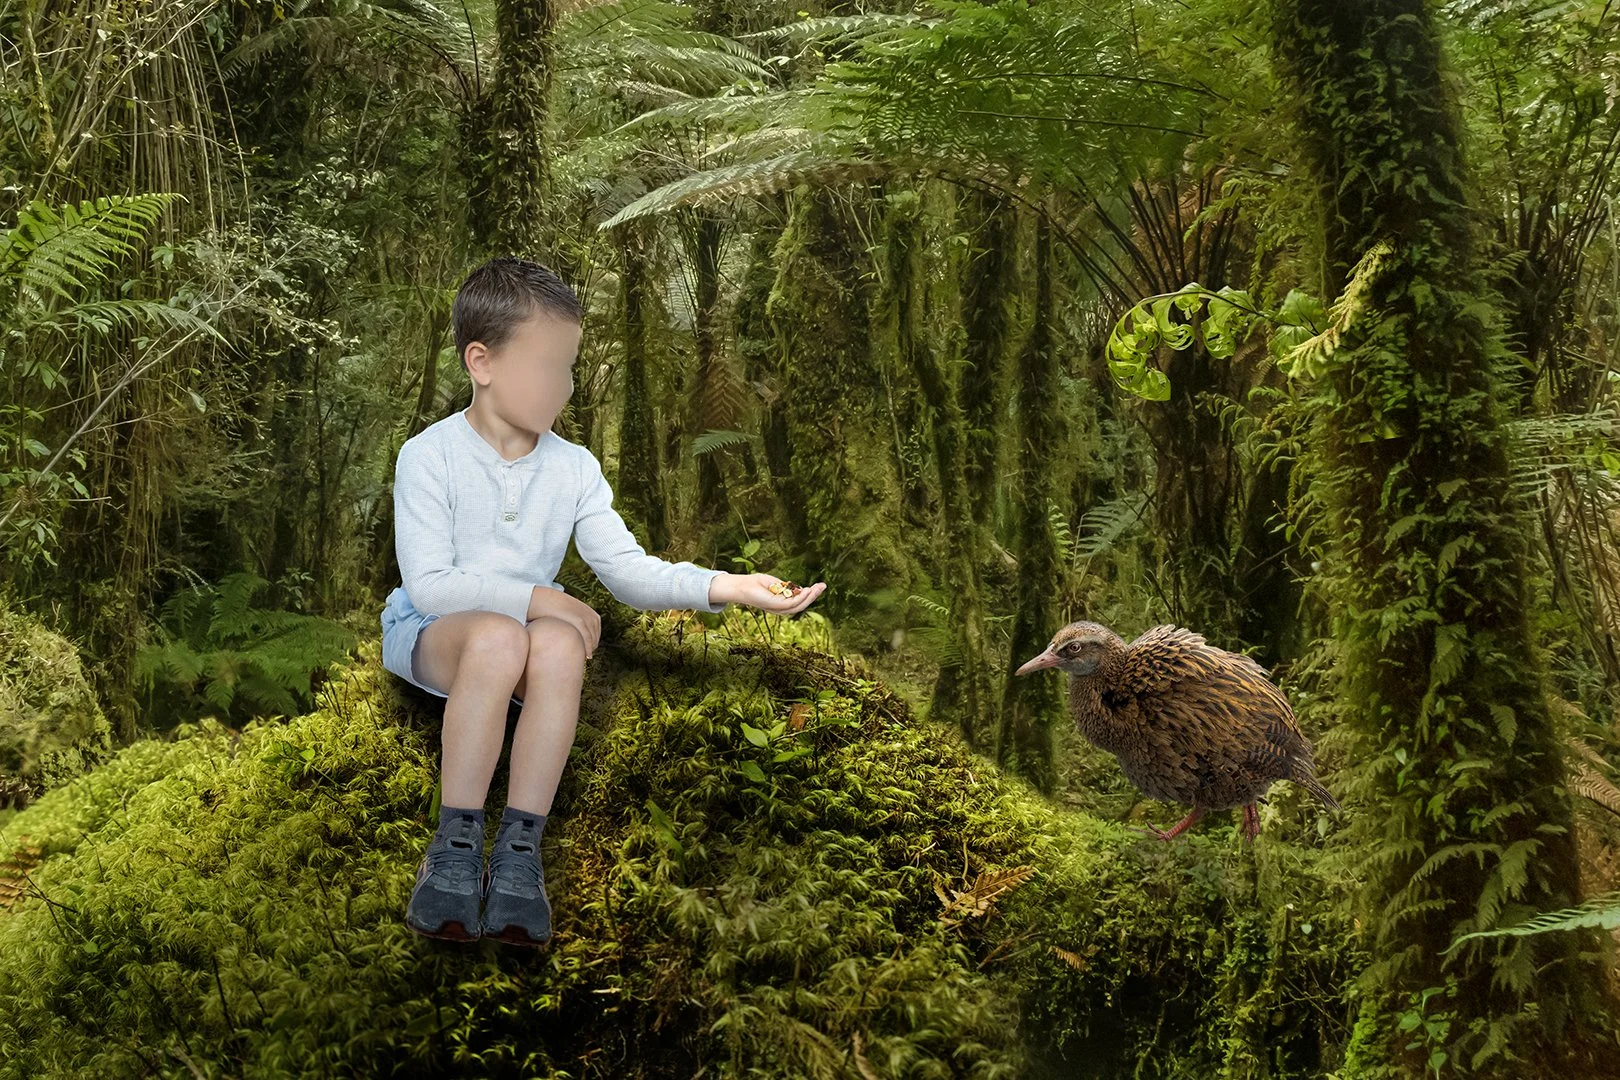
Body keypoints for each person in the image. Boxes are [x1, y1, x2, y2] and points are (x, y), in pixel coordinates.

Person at [379, 256, 825, 946]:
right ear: (481, 361)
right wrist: (541, 599)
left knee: (558, 646)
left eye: (570, 366)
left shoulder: (574, 468)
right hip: (436, 631)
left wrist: (728, 587)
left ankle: (520, 854)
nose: (564, 384)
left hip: (528, 634)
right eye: (546, 365)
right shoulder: (428, 456)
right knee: (504, 636)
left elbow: (627, 570)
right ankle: (456, 848)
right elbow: (430, 584)